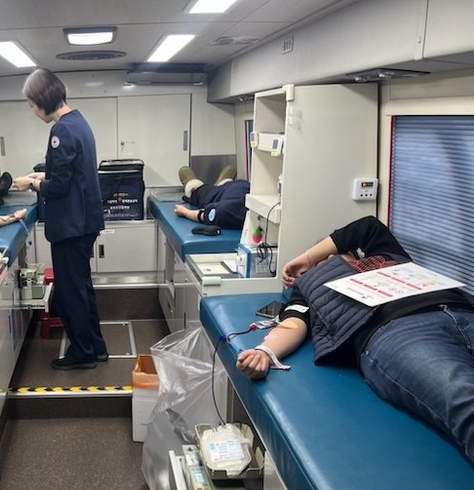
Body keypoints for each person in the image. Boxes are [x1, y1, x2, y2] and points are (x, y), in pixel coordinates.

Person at [236, 215, 474, 463]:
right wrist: (265, 351)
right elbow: (294, 323)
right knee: (465, 400)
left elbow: (367, 226)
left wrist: (308, 257)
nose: (330, 259)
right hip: (398, 330)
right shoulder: (309, 288)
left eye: (333, 254)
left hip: (459, 308)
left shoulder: (385, 254)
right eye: (321, 263)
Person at [12, 68, 107, 370]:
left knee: (70, 292)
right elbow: (74, 174)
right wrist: (44, 176)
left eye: (32, 104)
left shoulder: (61, 131)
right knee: (82, 287)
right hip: (84, 222)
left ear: (43, 100)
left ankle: (82, 353)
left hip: (71, 226)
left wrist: (32, 184)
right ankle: (96, 346)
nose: (32, 110)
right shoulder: (79, 122)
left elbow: (61, 186)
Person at [173, 165, 249, 230]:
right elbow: (204, 215)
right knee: (197, 190)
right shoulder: (230, 211)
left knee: (203, 190)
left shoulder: (229, 211)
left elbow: (205, 214)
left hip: (232, 189)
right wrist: (185, 212)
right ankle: (193, 187)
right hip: (230, 189)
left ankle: (222, 182)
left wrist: (185, 212)